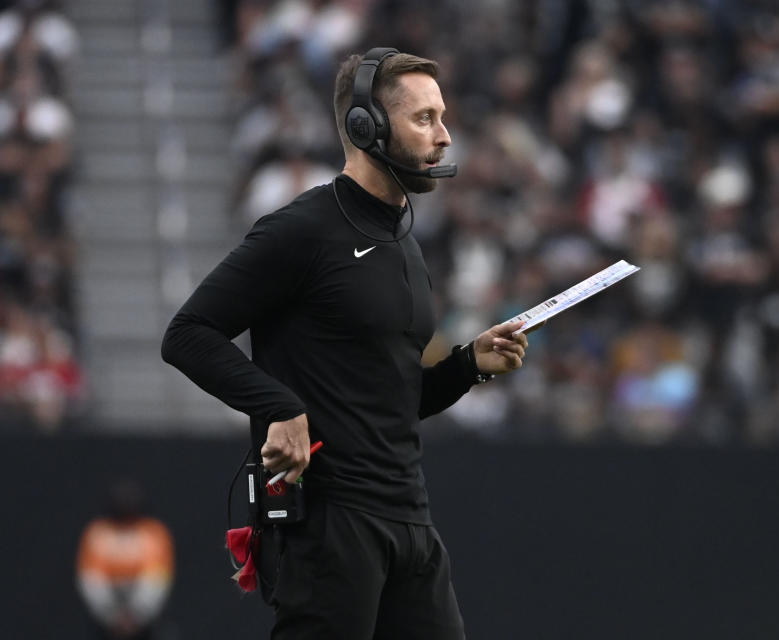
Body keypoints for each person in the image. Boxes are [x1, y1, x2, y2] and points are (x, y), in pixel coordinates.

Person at [161, 47, 529, 640]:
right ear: (367, 127)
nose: (445, 135)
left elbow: (393, 396)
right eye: (425, 118)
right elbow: (186, 334)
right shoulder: (301, 230)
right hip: (331, 527)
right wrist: (278, 407)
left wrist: (468, 366)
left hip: (410, 521)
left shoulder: (406, 240)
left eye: (442, 116)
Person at [75, 479, 175, 640]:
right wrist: (111, 613)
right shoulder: (98, 534)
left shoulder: (153, 533)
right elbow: (91, 579)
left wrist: (138, 612)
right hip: (105, 620)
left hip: (145, 620)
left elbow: (157, 578)